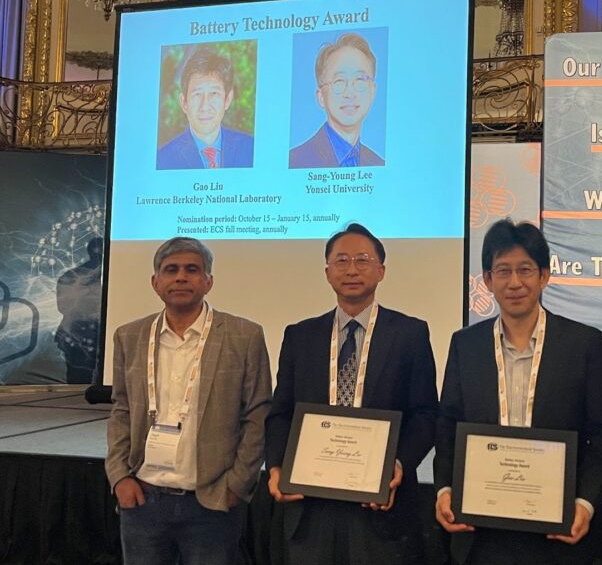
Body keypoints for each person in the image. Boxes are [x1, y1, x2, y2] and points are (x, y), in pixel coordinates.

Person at [435, 219, 602, 564]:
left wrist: (585, 504)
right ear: (487, 280)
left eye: (525, 270)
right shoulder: (465, 345)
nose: (514, 282)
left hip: (557, 532)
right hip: (481, 532)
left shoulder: (584, 344)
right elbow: (447, 426)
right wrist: (444, 490)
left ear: (544, 276)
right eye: (502, 271)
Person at [265, 223, 437, 563]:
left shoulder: (410, 334)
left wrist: (398, 463)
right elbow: (281, 412)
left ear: (381, 270)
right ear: (327, 272)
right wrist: (276, 468)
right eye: (341, 261)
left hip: (381, 507)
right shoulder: (301, 336)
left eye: (363, 259)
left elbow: (426, 414)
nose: (352, 269)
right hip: (311, 506)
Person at [105, 237, 272, 565]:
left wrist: (236, 486)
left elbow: (257, 413)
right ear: (156, 282)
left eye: (191, 269)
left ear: (208, 281)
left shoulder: (244, 335)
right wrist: (119, 477)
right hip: (142, 498)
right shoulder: (129, 336)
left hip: (212, 501)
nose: (181, 277)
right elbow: (121, 409)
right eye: (171, 270)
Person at [289, 33, 385, 168]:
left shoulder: (379, 164)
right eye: (339, 81)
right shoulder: (295, 161)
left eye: (359, 80)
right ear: (321, 97)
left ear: (372, 91)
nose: (350, 93)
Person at [157, 46, 254, 169]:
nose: (205, 106)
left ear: (227, 99)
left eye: (214, 93)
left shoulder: (251, 149)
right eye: (197, 94)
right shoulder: (162, 160)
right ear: (184, 102)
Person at [55, 236, 103, 383]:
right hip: (77, 336)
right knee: (79, 381)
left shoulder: (70, 276)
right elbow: (64, 307)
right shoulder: (72, 277)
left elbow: (62, 307)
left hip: (75, 336)